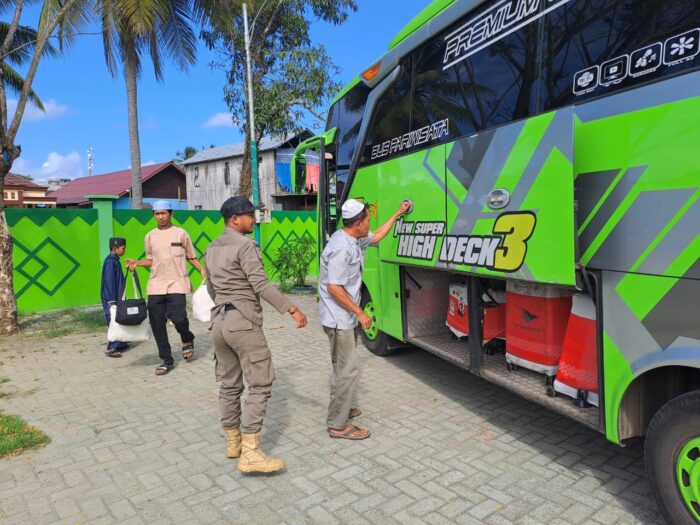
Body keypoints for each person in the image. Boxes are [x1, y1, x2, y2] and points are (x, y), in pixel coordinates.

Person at [205, 196, 308, 474]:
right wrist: (292, 309)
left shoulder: (211, 248)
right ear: (235, 220)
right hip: (243, 323)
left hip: (219, 323)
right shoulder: (246, 245)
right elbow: (260, 284)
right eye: (250, 215)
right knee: (261, 385)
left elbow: (211, 289)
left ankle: (233, 443)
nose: (254, 219)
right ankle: (251, 453)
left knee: (229, 385)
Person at [319, 198, 411, 440]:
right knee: (346, 370)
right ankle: (338, 425)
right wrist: (360, 313)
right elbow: (334, 287)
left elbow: (378, 236)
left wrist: (397, 213)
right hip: (339, 319)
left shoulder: (354, 238)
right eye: (367, 220)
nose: (370, 223)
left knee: (342, 367)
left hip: (343, 316)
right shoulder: (341, 247)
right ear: (357, 223)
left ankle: (343, 406)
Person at [126, 200, 205, 375]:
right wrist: (137, 263)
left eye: (163, 213)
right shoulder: (150, 236)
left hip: (177, 282)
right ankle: (166, 359)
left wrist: (201, 268)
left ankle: (187, 337)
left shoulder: (181, 234)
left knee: (178, 318)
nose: (160, 217)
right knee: (157, 324)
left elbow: (191, 256)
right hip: (156, 284)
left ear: (171, 214)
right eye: (157, 214)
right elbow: (151, 260)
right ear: (154, 215)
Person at [101, 237, 128, 358]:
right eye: (123, 248)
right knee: (114, 321)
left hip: (117, 296)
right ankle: (111, 348)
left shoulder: (115, 260)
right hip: (111, 298)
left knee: (119, 318)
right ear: (115, 248)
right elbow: (109, 281)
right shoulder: (110, 262)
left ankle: (120, 343)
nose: (124, 250)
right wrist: (112, 300)